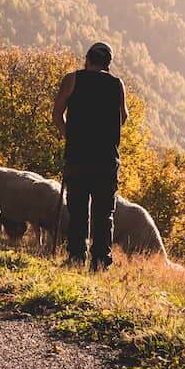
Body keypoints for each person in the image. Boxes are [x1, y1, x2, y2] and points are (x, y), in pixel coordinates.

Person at [52, 42, 128, 271]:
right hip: (106, 159)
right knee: (104, 213)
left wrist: (70, 136)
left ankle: (76, 257)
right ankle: (100, 261)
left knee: (78, 210)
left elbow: (57, 113)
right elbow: (123, 116)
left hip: (78, 157)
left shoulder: (72, 79)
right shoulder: (117, 84)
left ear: (87, 59)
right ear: (108, 64)